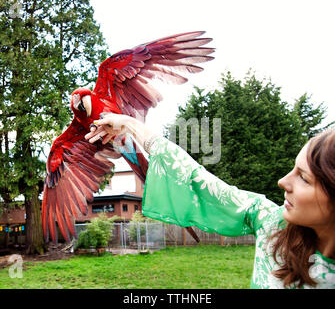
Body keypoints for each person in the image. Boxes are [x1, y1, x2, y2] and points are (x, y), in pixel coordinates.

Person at [85, 113, 335, 289]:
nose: (283, 181)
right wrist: (128, 125)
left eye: (303, 178)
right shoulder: (274, 225)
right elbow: (197, 179)